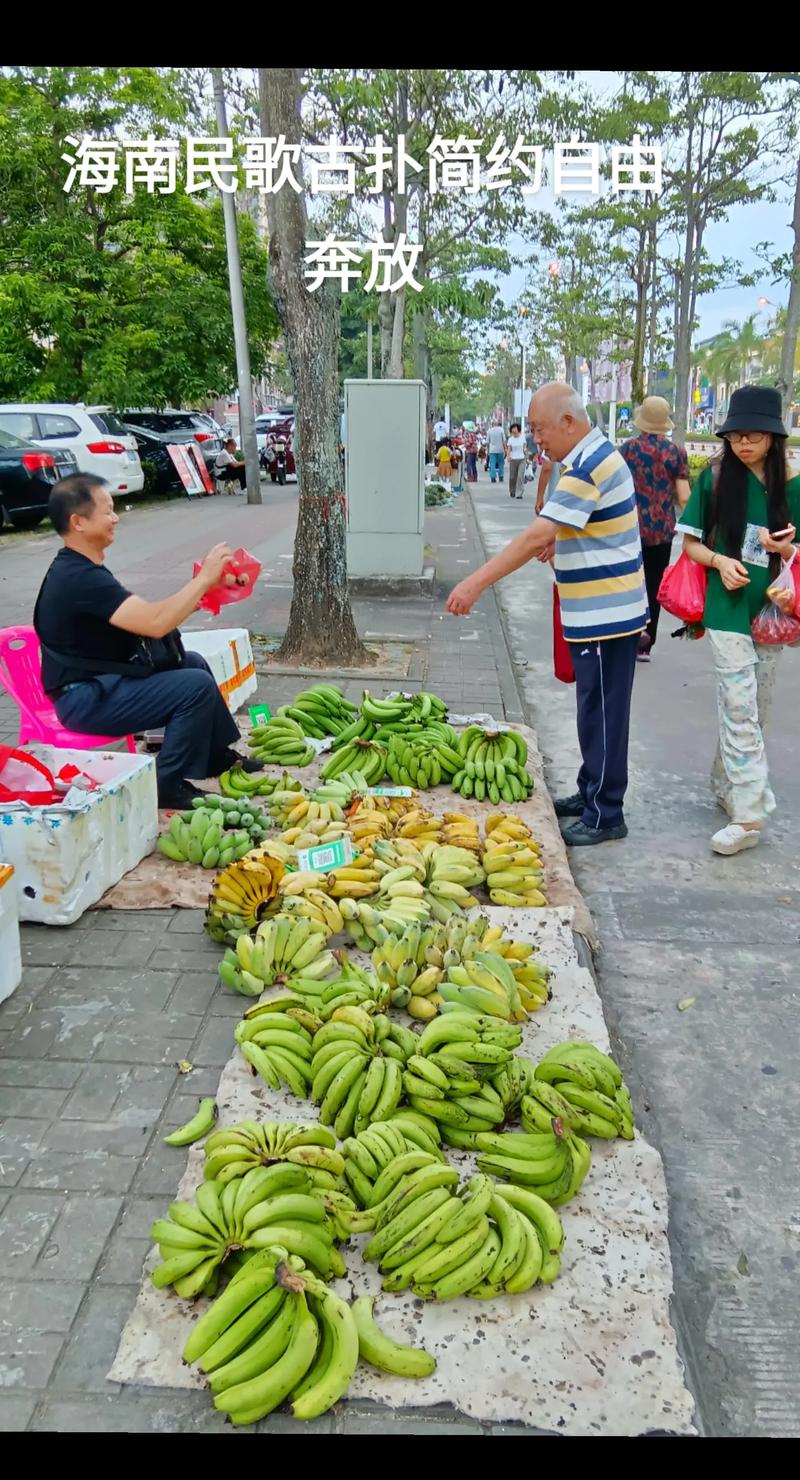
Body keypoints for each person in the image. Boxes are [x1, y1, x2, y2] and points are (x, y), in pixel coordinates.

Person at [447, 383, 648, 845]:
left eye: (540, 429)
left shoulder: (588, 468)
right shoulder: (587, 460)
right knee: (593, 708)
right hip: (599, 611)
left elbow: (534, 537)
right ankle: (592, 789)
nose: (537, 439)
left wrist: (475, 582)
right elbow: (586, 528)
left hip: (606, 615)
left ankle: (605, 813)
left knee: (604, 713)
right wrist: (566, 543)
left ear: (569, 423)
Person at [33, 474, 259, 811]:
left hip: (98, 686)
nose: (116, 518)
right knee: (193, 686)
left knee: (193, 662)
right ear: (78, 522)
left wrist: (207, 589)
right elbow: (155, 623)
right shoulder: (79, 579)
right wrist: (203, 579)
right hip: (82, 700)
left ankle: (214, 758)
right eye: (107, 511)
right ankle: (166, 784)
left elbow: (148, 618)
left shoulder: (81, 569)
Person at [677, 385, 800, 857]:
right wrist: (718, 562)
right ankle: (749, 814)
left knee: (756, 707)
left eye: (753, 436)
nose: (743, 444)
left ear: (773, 437)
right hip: (726, 608)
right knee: (740, 704)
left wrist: (785, 551)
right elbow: (689, 542)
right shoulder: (715, 477)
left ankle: (724, 781)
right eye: (735, 436)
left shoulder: (793, 482)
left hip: (773, 610)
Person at [620, 396, 691, 660]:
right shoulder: (676, 452)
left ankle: (628, 636)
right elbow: (684, 496)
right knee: (653, 585)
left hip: (628, 527)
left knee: (629, 582)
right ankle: (645, 644)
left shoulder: (628, 450)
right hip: (662, 530)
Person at [506, 422, 526, 499]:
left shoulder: (522, 438)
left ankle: (519, 493)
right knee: (512, 477)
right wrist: (508, 456)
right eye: (512, 429)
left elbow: (524, 448)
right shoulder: (510, 439)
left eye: (515, 429)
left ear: (518, 430)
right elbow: (509, 449)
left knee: (520, 476)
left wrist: (527, 457)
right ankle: (512, 491)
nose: (514, 430)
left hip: (522, 459)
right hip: (513, 460)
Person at [487, 420, 506, 484]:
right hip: (500, 449)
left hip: (492, 450)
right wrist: (505, 449)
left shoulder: (489, 431)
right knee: (501, 463)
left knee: (492, 464)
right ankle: (501, 476)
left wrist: (488, 450)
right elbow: (504, 440)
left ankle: (493, 478)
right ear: (497, 424)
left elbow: (487, 442)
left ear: (492, 424)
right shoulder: (501, 430)